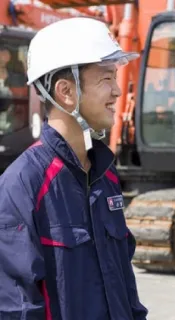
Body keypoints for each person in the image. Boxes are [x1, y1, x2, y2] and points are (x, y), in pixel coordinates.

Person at [0, 17, 148, 319]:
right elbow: (17, 308)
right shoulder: (22, 185)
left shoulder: (104, 174)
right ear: (66, 91)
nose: (117, 92)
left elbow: (125, 284)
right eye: (106, 79)